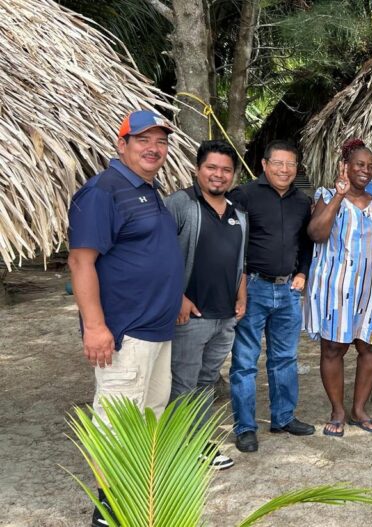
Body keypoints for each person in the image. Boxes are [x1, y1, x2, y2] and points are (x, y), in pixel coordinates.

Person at [67, 109, 182, 527]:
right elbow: (81, 262)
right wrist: (95, 327)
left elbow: (148, 253)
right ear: (122, 145)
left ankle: (134, 501)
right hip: (125, 333)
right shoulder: (103, 191)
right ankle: (108, 512)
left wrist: (178, 295)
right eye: (142, 140)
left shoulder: (148, 189)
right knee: (117, 424)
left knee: (148, 417)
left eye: (160, 141)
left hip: (157, 330)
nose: (153, 148)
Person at [304, 138, 372, 437]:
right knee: (333, 348)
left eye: (370, 165)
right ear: (346, 167)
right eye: (359, 165)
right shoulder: (327, 196)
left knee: (371, 348)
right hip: (336, 289)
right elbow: (316, 233)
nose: (365, 170)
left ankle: (359, 409)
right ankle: (337, 411)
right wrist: (339, 197)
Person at [165, 140, 248, 471]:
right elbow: (160, 256)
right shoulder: (180, 205)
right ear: (198, 170)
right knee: (182, 383)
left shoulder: (238, 214)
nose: (219, 175)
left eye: (226, 170)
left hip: (225, 316)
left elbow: (242, 261)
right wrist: (177, 297)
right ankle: (176, 447)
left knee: (206, 382)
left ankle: (196, 441)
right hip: (191, 316)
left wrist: (241, 296)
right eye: (212, 168)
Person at [228, 140, 315, 453]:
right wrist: (238, 287)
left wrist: (302, 273)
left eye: (290, 164)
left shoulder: (302, 202)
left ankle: (283, 417)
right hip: (252, 287)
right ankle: (246, 427)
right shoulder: (243, 196)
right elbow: (232, 242)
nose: (284, 169)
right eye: (278, 163)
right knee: (245, 362)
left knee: (285, 358)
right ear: (264, 165)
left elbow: (307, 244)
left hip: (289, 290)